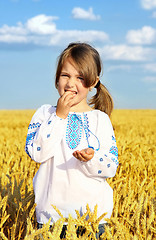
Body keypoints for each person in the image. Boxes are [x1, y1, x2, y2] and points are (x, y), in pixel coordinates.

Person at [25, 42, 119, 239]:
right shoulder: (45, 114)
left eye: (80, 78)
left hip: (93, 218)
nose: (70, 83)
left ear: (93, 82)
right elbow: (37, 153)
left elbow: (111, 167)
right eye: (65, 75)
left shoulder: (100, 119)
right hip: (50, 218)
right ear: (56, 78)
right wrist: (59, 116)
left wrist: (91, 158)